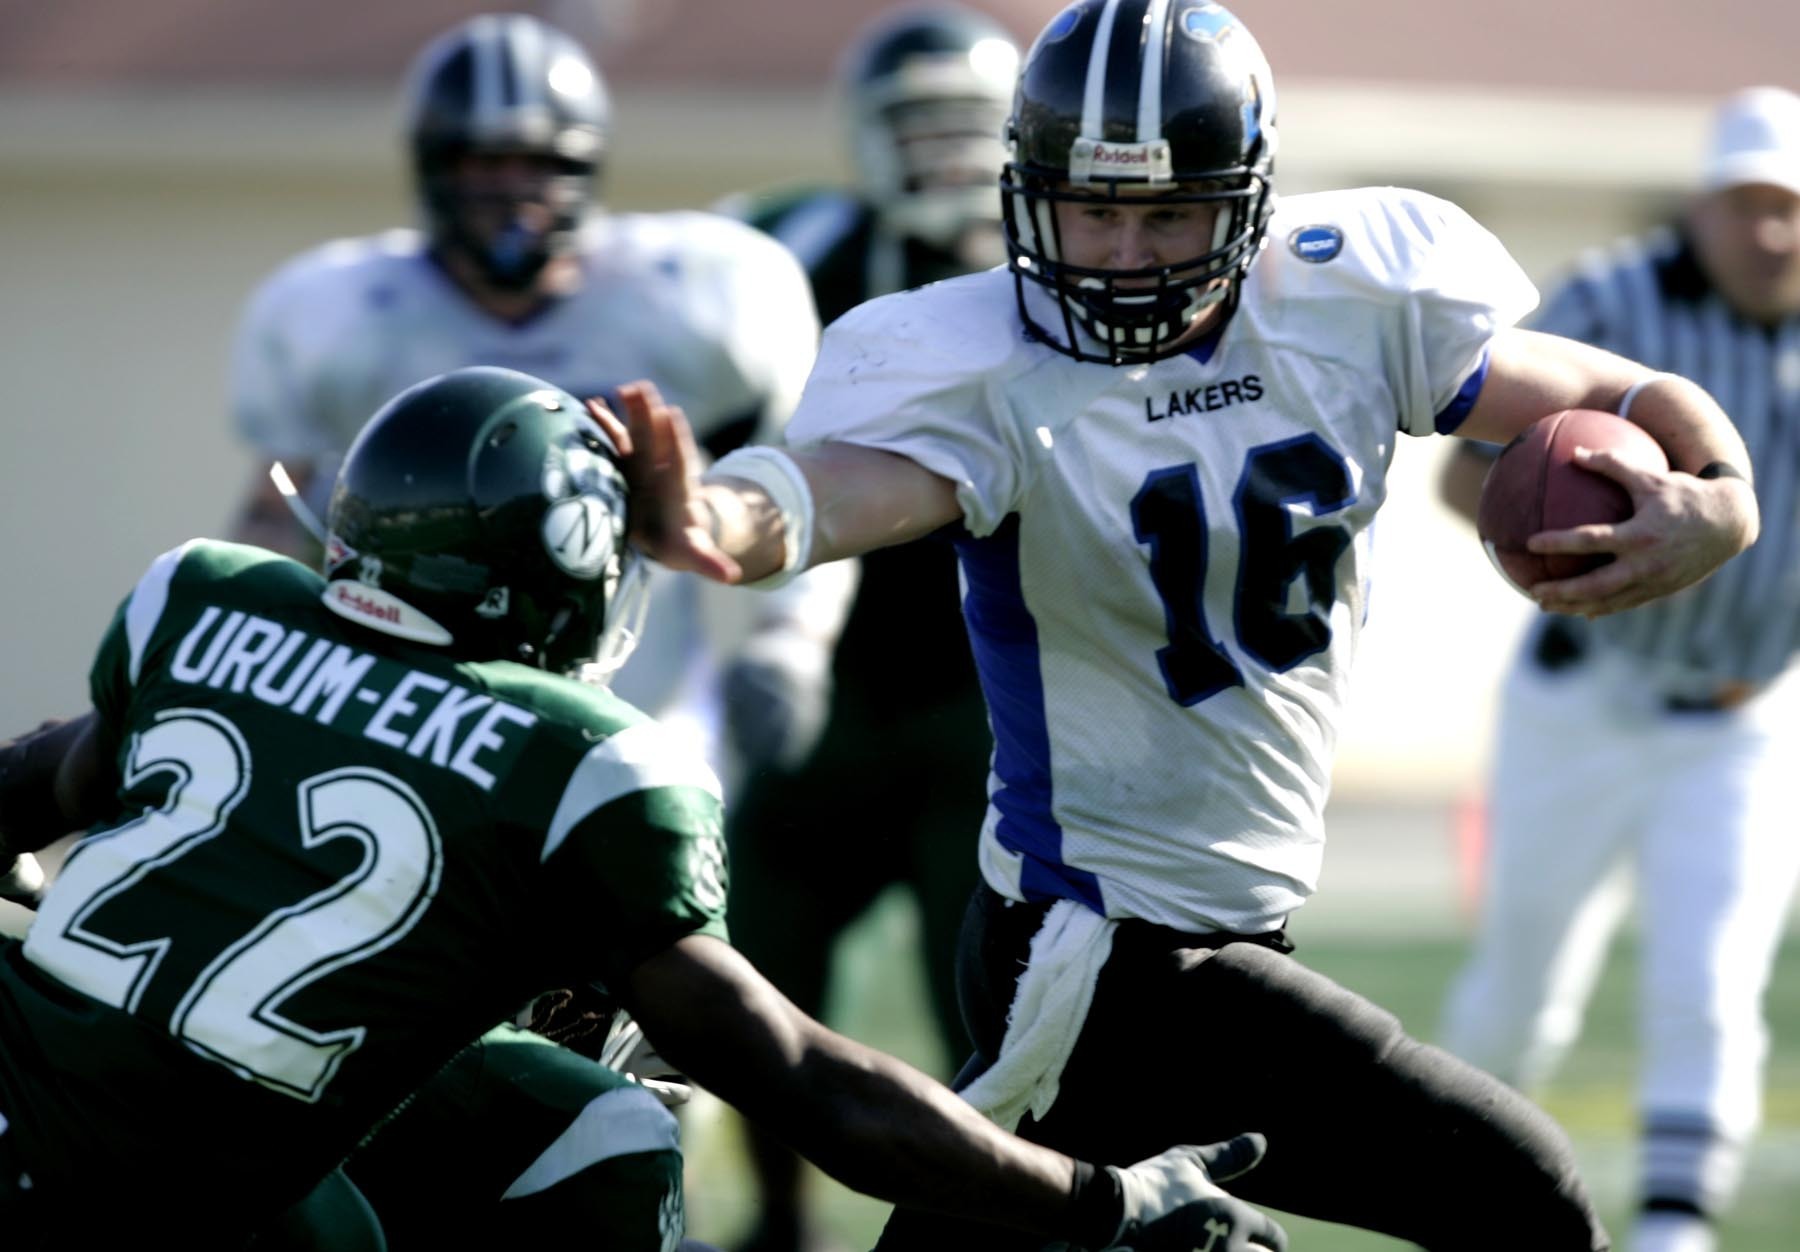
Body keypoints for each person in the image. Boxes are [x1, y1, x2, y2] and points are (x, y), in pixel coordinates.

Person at [606, 2, 1764, 1248]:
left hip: (1211, 926)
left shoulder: (1344, 296)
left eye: (1170, 214)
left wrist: (1723, 499)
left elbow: (1615, 389)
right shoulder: (982, 364)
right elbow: (833, 491)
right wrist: (717, 515)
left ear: (1252, 202)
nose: (1124, 254)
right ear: (1027, 197)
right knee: (1518, 1194)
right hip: (1095, 950)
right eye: (1093, 211)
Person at [0, 365, 1289, 1252]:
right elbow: (807, 1083)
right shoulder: (584, 762)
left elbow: (41, 779)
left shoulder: (212, 600)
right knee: (611, 1116)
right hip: (165, 1202)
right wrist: (1098, 1200)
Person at [226, 11, 849, 779]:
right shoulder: (346, 315)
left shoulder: (692, 297)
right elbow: (276, 519)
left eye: (533, 162)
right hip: (414, 718)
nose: (508, 191)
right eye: (481, 164)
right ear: (434, 167)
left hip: (636, 719)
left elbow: (794, 478)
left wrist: (790, 642)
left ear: (583, 167)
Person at [1437, 86, 1800, 1252]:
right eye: (1749, 205)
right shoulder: (1612, 299)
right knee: (1520, 990)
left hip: (1746, 713)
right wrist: (1550, 533)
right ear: (1702, 206)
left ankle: (1671, 1234)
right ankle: (1463, 1195)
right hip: (1585, 697)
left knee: (1712, 983)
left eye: (1791, 207)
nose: (1772, 232)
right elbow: (1465, 475)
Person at [711, 8, 1017, 1248]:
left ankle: (995, 1217)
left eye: (965, 126)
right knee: (748, 965)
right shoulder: (780, 250)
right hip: (826, 688)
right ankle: (779, 1219)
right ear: (862, 135)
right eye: (915, 125)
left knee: (994, 1013)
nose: (942, 154)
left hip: (989, 705)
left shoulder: (1058, 280)